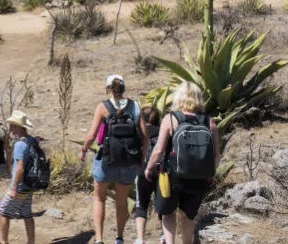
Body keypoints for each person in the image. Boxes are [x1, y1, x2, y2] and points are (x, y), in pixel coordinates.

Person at [145, 82, 220, 244]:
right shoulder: (209, 121)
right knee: (188, 216)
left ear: (179, 97)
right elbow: (216, 154)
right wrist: (211, 174)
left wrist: (149, 168)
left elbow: (158, 149)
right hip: (199, 177)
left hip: (173, 176)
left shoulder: (171, 119)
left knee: (168, 213)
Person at [81, 74, 147, 244]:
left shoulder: (102, 107)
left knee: (99, 198)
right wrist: (142, 159)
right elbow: (145, 137)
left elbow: (91, 136)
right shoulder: (135, 106)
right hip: (128, 161)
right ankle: (119, 238)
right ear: (123, 88)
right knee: (122, 201)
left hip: (106, 160)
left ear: (107, 89)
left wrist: (83, 150)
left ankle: (100, 240)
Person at [0, 110, 37, 244]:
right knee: (27, 214)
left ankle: (4, 242)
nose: (11, 128)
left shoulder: (20, 144)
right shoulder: (32, 140)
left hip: (20, 186)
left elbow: (20, 167)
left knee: (3, 212)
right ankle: (31, 242)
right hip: (29, 184)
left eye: (14, 125)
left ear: (20, 127)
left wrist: (14, 187)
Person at [134, 107, 164, 244]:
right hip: (162, 172)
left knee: (141, 205)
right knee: (163, 206)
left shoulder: (138, 134)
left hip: (143, 172)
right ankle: (164, 236)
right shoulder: (163, 133)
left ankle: (141, 238)